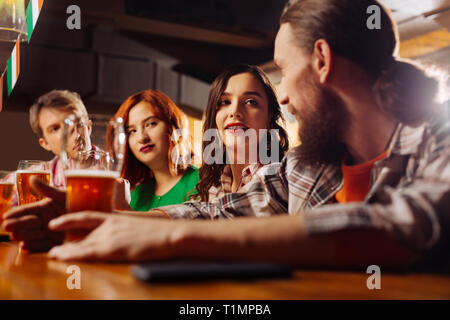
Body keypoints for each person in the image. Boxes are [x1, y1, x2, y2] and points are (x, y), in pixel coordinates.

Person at [3, 0, 449, 270]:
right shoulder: (308, 163)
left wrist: (172, 241)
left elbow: (407, 226)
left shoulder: (440, 133)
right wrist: (94, 220)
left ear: (322, 60)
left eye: (284, 71)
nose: (286, 99)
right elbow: (217, 214)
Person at [196, 64, 289, 201]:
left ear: (270, 117)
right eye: (225, 102)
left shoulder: (280, 179)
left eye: (251, 102)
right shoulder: (214, 186)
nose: (234, 111)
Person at [1, 90, 89, 207]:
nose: (70, 130)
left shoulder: (117, 171)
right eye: (55, 128)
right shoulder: (35, 176)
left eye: (75, 121)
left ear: (88, 127)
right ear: (45, 143)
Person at [114, 90, 199, 211]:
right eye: (132, 131)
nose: (142, 137)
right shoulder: (134, 196)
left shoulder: (203, 183)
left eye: (151, 124)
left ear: (173, 126)